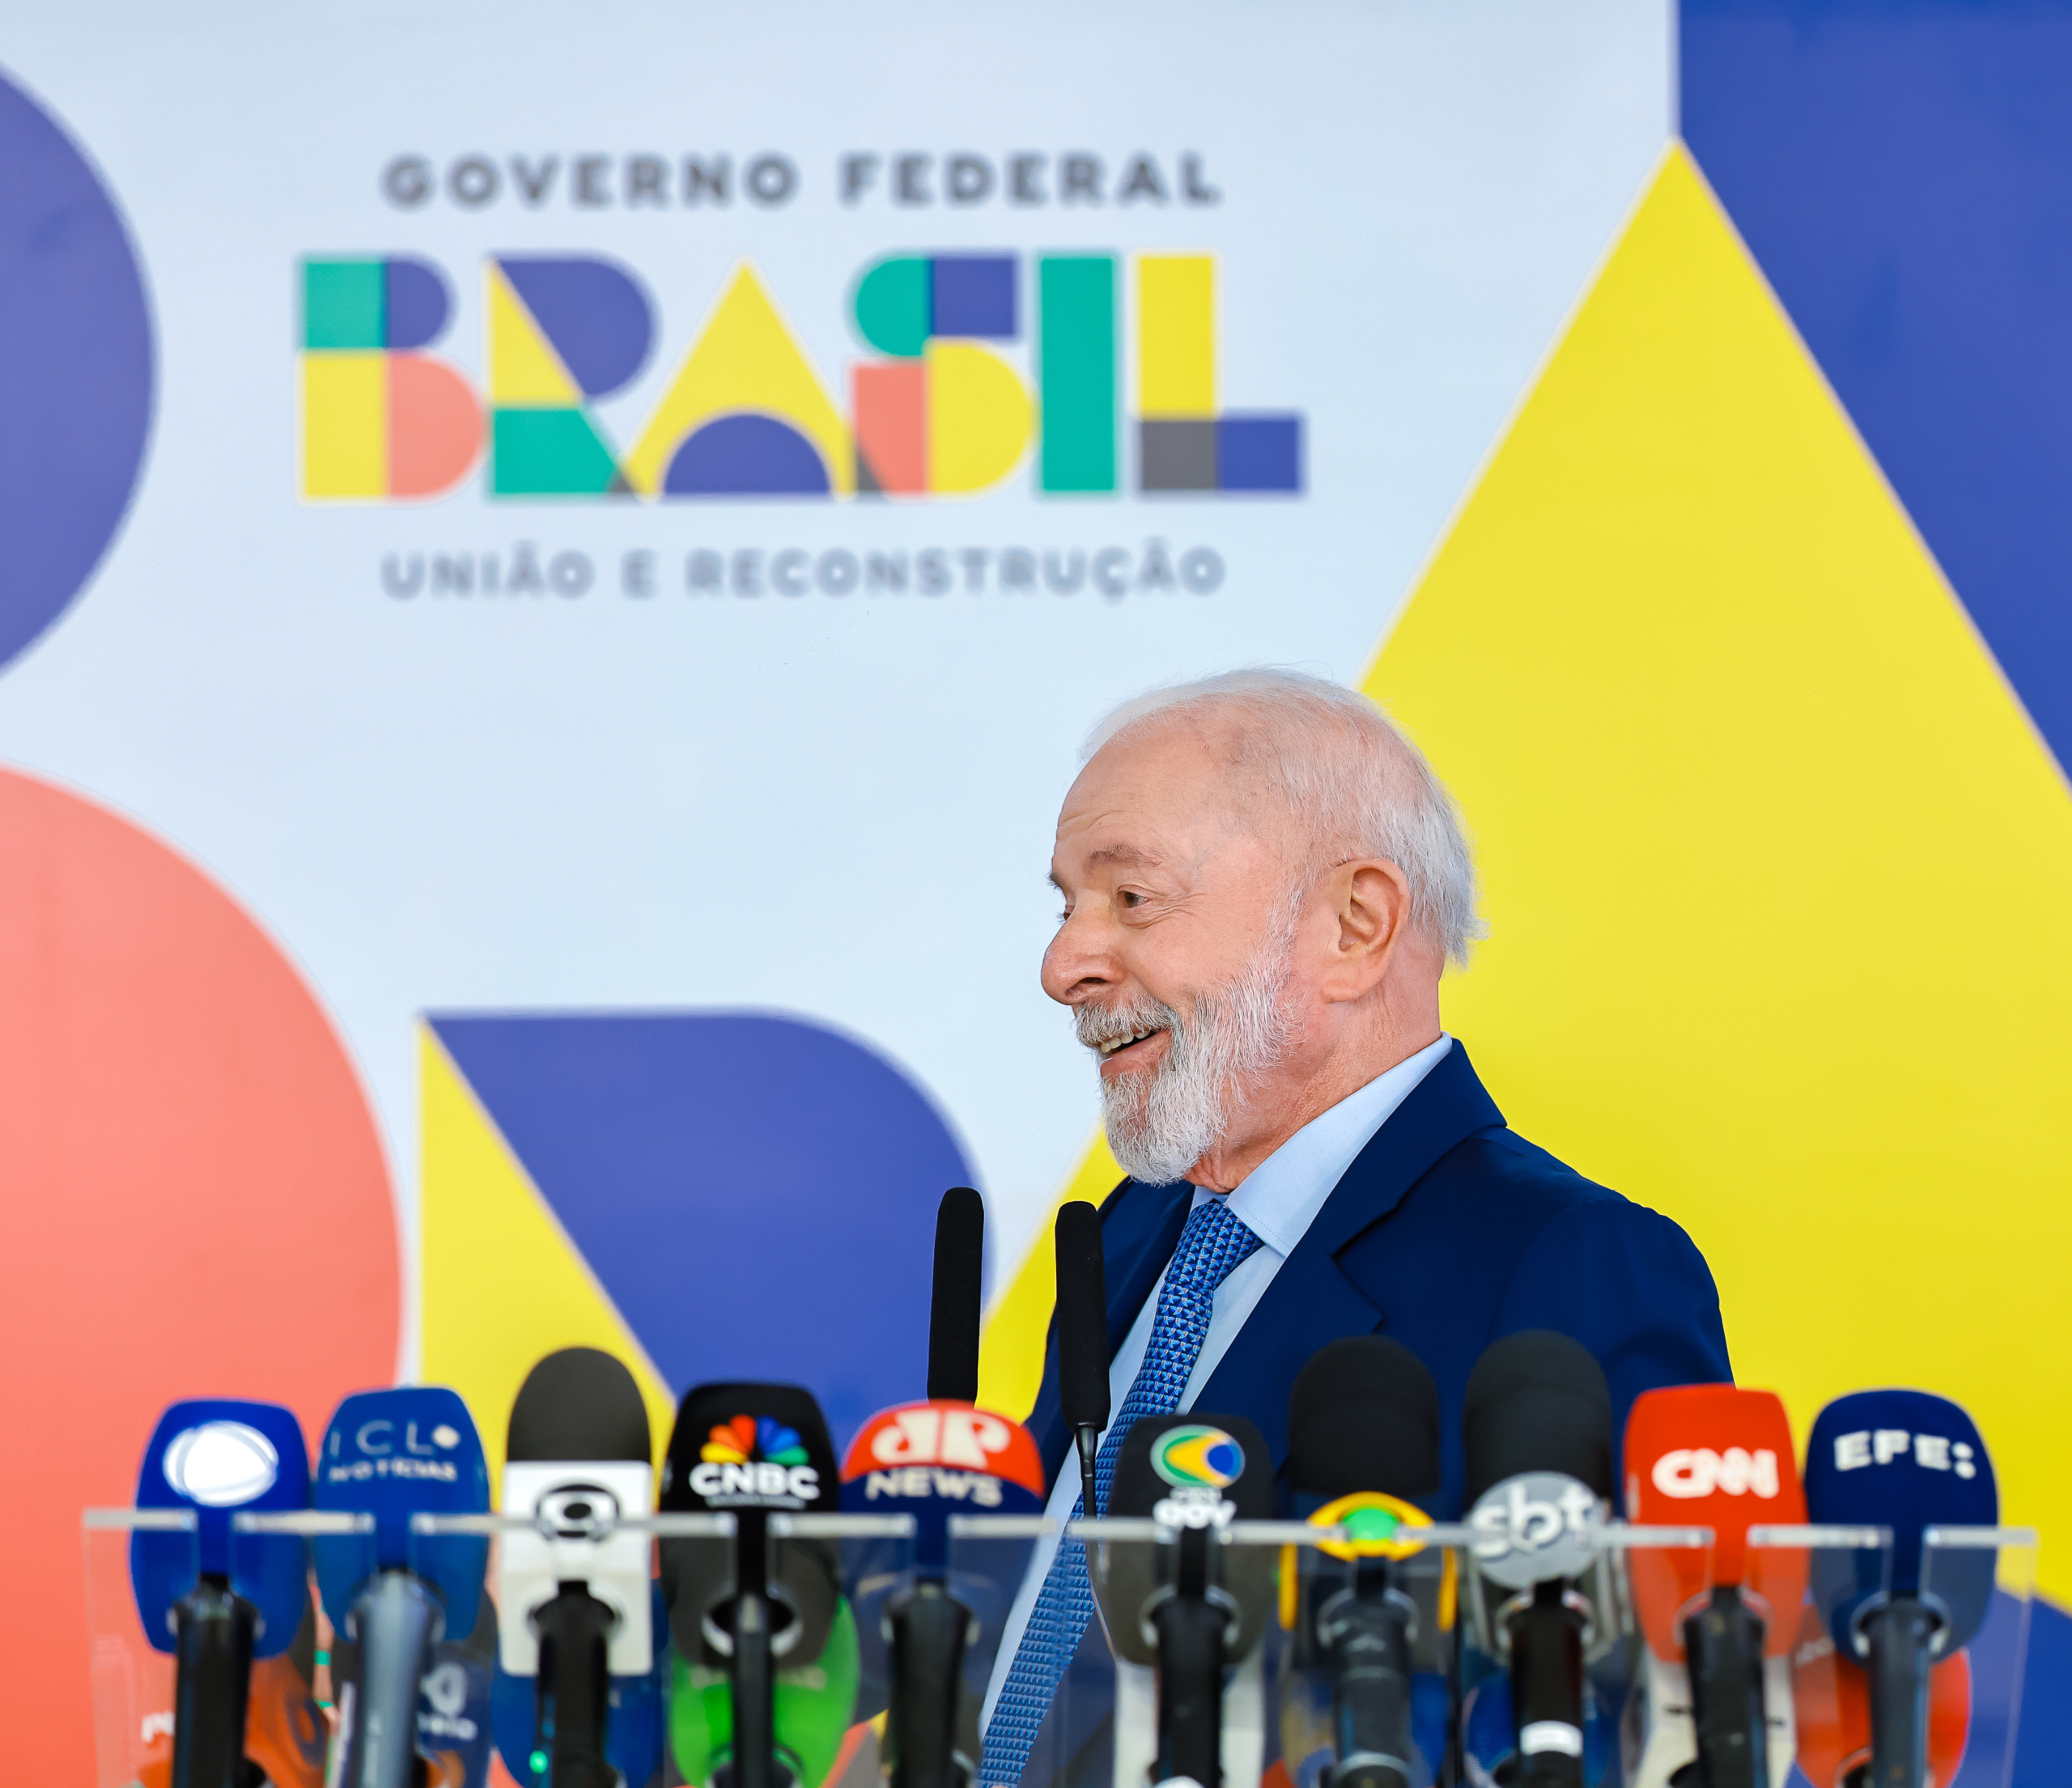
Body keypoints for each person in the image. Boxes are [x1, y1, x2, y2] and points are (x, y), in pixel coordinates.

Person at [979, 669, 1729, 1788]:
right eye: (1065, 905)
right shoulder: (1133, 1235)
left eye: (1131, 899)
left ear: (1355, 925)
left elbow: (1632, 1727)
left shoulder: (1573, 1264)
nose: (1063, 965)